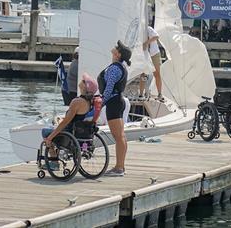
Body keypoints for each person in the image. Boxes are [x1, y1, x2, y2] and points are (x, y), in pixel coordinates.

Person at [97, 40, 132, 177]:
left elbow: (109, 87)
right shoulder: (119, 67)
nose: (114, 48)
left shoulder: (115, 68)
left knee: (118, 137)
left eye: (117, 48)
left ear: (118, 55)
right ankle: (120, 166)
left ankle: (119, 168)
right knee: (121, 136)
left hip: (113, 102)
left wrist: (101, 103)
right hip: (117, 101)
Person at [43, 73, 101, 147]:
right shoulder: (91, 102)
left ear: (85, 87)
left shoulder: (77, 102)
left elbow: (65, 122)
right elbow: (79, 117)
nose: (81, 80)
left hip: (71, 133)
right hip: (84, 132)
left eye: (83, 81)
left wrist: (50, 137)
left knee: (45, 131)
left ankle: (53, 155)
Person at [139, 24, 163, 100]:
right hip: (145, 55)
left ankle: (159, 94)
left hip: (154, 54)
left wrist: (147, 42)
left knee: (157, 74)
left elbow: (156, 36)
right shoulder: (138, 31)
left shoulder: (148, 29)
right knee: (143, 74)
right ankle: (141, 94)